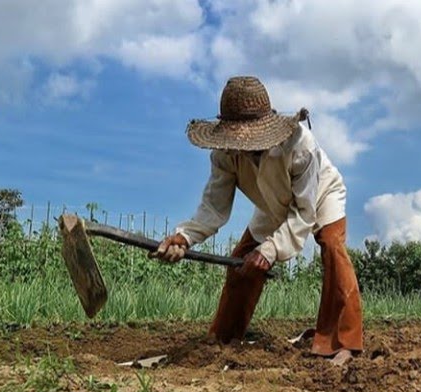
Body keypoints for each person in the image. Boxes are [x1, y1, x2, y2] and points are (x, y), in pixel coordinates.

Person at [151, 76, 363, 365]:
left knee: (332, 247)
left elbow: (304, 212)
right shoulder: (225, 155)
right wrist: (184, 237)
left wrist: (271, 249)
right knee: (242, 262)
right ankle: (224, 337)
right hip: (271, 204)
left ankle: (344, 342)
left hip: (318, 196)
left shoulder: (300, 145)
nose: (239, 144)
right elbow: (214, 205)